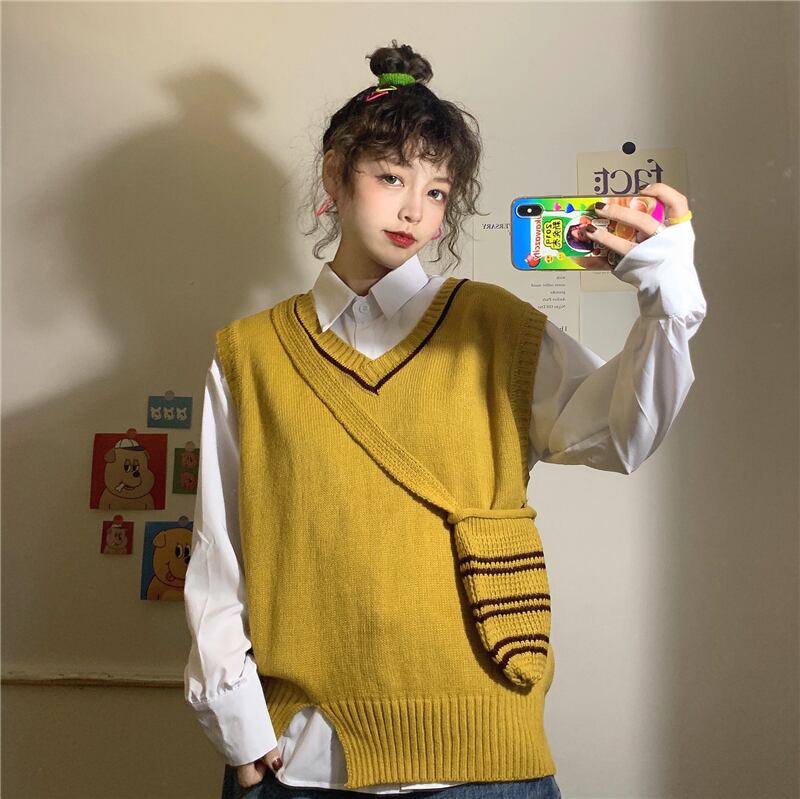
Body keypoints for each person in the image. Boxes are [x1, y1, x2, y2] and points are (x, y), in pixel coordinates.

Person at [183, 40, 706, 799]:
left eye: (437, 190)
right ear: (335, 174)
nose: (413, 210)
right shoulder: (252, 353)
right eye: (391, 177)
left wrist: (668, 298)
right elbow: (219, 548)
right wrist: (239, 730)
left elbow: (622, 437)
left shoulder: (497, 327)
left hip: (487, 759)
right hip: (304, 758)